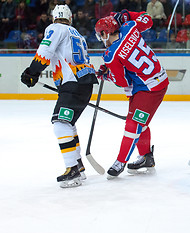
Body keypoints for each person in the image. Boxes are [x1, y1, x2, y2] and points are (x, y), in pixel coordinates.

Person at [20, 5, 98, 188]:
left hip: (73, 83)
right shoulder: (78, 34)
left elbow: (44, 52)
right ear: (70, 18)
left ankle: (72, 169)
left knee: (60, 123)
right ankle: (78, 165)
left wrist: (32, 72)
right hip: (84, 84)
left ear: (53, 18)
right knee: (68, 123)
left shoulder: (55, 28)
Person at [94, 10, 169, 179]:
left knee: (133, 125)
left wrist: (107, 75)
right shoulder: (129, 27)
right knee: (140, 123)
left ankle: (120, 161)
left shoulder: (110, 55)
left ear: (106, 33)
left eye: (101, 35)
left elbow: (123, 82)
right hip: (152, 82)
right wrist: (129, 14)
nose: (101, 39)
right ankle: (146, 157)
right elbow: (147, 19)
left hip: (149, 88)